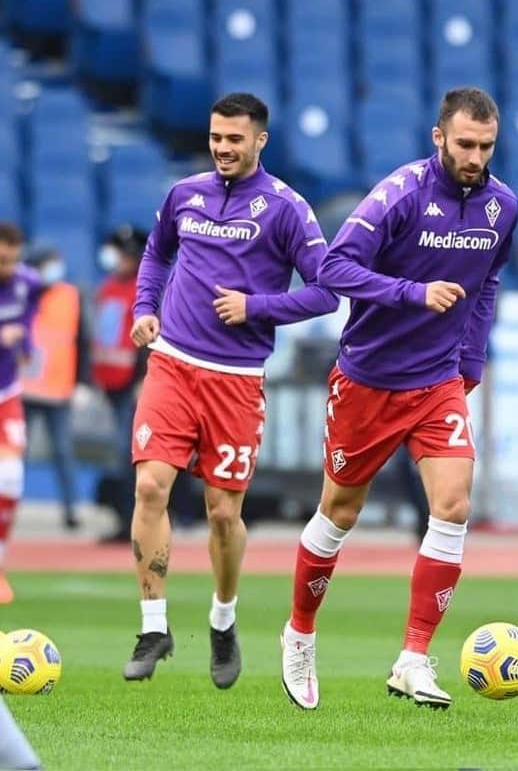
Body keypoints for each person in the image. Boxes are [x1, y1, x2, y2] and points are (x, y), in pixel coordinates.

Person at [280, 87, 518, 710]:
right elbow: (333, 269)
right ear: (439, 137)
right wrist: (414, 294)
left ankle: (413, 657)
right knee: (339, 513)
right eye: (464, 144)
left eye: (486, 146)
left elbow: (486, 282)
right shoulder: (400, 194)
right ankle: (299, 632)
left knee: (454, 504)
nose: (474, 156)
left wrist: (471, 357)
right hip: (368, 379)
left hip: (437, 379)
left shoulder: (502, 206)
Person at [123, 92, 339, 686]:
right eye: (217, 137)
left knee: (223, 514)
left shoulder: (287, 208)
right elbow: (156, 253)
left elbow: (326, 290)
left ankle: (223, 620)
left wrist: (257, 307)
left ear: (259, 140)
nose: (222, 147)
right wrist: (146, 308)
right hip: (171, 365)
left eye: (234, 139)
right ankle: (153, 625)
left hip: (236, 380)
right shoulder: (183, 194)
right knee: (150, 486)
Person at [21, 245, 90, 530]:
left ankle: (71, 508)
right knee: (13, 452)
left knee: (63, 450)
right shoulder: (21, 292)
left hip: (58, 390)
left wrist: (82, 383)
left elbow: (83, 341)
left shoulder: (70, 296)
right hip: (23, 388)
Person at [92, 225, 147, 543]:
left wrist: (144, 377)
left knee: (130, 455)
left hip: (132, 384)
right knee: (119, 453)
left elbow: (149, 337)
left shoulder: (143, 289)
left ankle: (132, 520)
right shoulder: (110, 287)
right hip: (111, 383)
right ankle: (125, 517)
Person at [0, 223, 42, 605]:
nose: (7, 266)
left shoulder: (28, 281)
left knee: (10, 479)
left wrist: (25, 342)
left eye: (13, 258)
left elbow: (28, 321)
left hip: (7, 392)